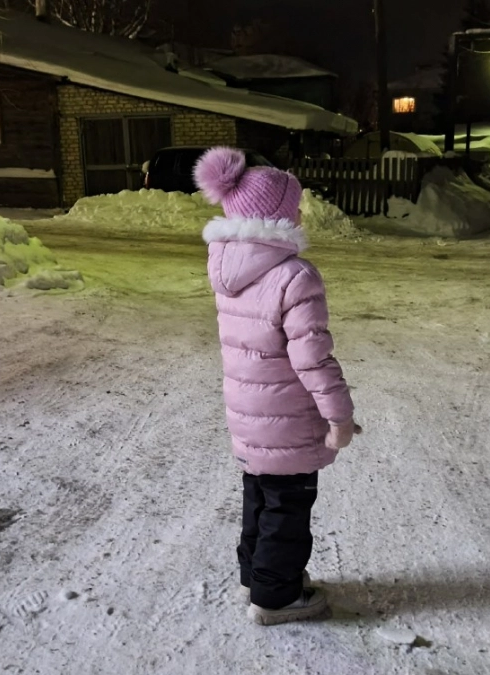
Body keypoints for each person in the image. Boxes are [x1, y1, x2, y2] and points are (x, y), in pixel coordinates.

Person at [194, 147, 359, 626]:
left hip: (248, 414)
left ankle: (258, 577)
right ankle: (276, 597)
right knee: (287, 510)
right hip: (287, 420)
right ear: (277, 216)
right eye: (296, 206)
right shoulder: (294, 275)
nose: (302, 213)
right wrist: (339, 416)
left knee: (260, 498)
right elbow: (312, 358)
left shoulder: (226, 267)